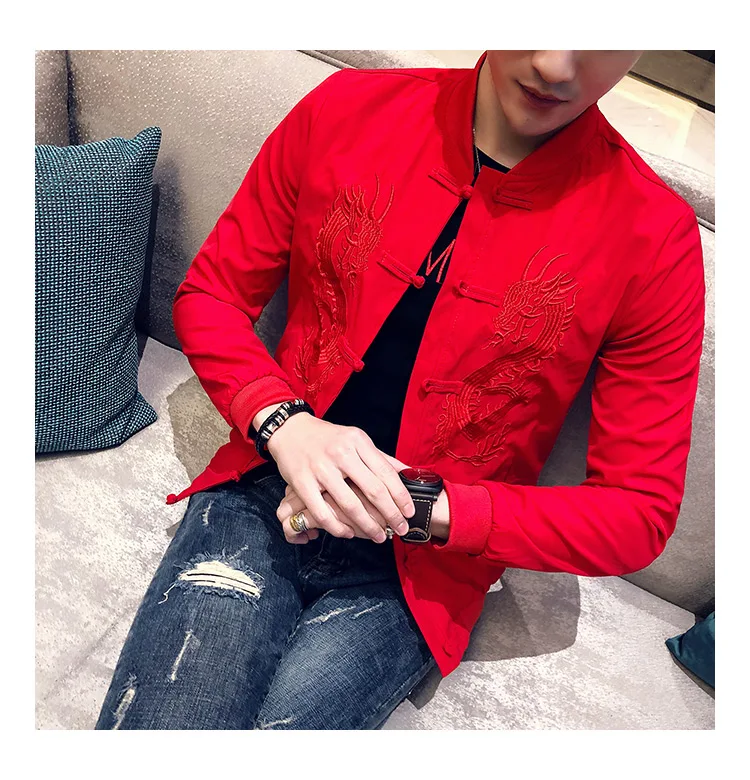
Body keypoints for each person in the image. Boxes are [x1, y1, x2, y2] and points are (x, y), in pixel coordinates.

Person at [95, 50, 705, 730]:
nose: (555, 64)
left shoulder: (654, 235)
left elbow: (637, 514)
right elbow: (212, 295)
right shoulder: (349, 110)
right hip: (267, 489)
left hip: (427, 569)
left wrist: (420, 507)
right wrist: (285, 424)